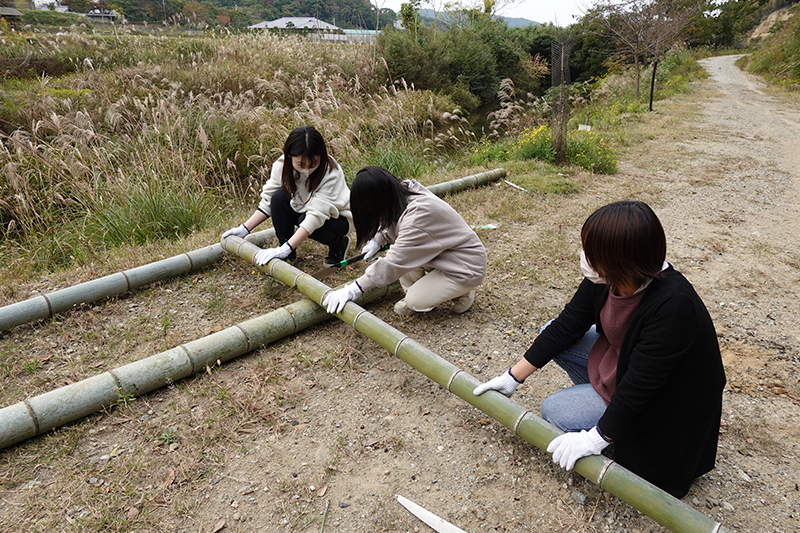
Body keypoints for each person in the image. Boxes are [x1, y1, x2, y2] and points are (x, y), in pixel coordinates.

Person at [473, 200, 726, 498]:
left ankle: (609, 420)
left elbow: (639, 387)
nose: (584, 258)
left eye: (592, 253)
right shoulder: (607, 279)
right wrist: (512, 377)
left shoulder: (673, 306)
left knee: (555, 411)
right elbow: (566, 325)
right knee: (549, 332)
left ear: (621, 261)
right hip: (625, 362)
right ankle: (601, 406)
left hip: (664, 401)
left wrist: (596, 438)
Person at [323, 166, 486, 316]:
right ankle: (431, 291)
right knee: (409, 275)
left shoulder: (417, 216)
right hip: (442, 254)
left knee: (414, 301)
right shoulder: (402, 193)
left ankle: (464, 290)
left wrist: (354, 289)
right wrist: (378, 240)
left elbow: (394, 262)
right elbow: (394, 222)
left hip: (465, 266)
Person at [222, 125, 352, 267]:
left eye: (314, 163)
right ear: (290, 155)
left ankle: (338, 244)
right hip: (305, 208)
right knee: (278, 198)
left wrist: (285, 248)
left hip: (339, 218)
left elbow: (316, 215)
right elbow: (268, 202)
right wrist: (244, 229)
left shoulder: (330, 171)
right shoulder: (282, 165)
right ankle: (288, 254)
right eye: (301, 164)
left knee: (305, 219)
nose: (307, 170)